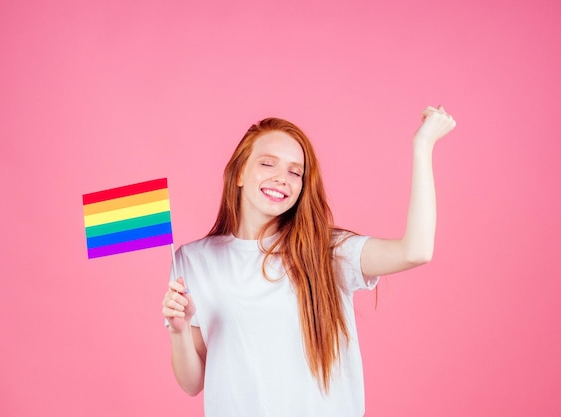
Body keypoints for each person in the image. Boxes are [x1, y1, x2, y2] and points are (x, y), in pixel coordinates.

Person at [161, 106, 456, 416]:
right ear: (238, 174)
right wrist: (179, 330)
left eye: (295, 171)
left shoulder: (328, 251)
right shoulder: (193, 260)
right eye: (267, 163)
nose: (281, 178)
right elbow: (192, 383)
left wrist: (423, 147)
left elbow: (416, 251)